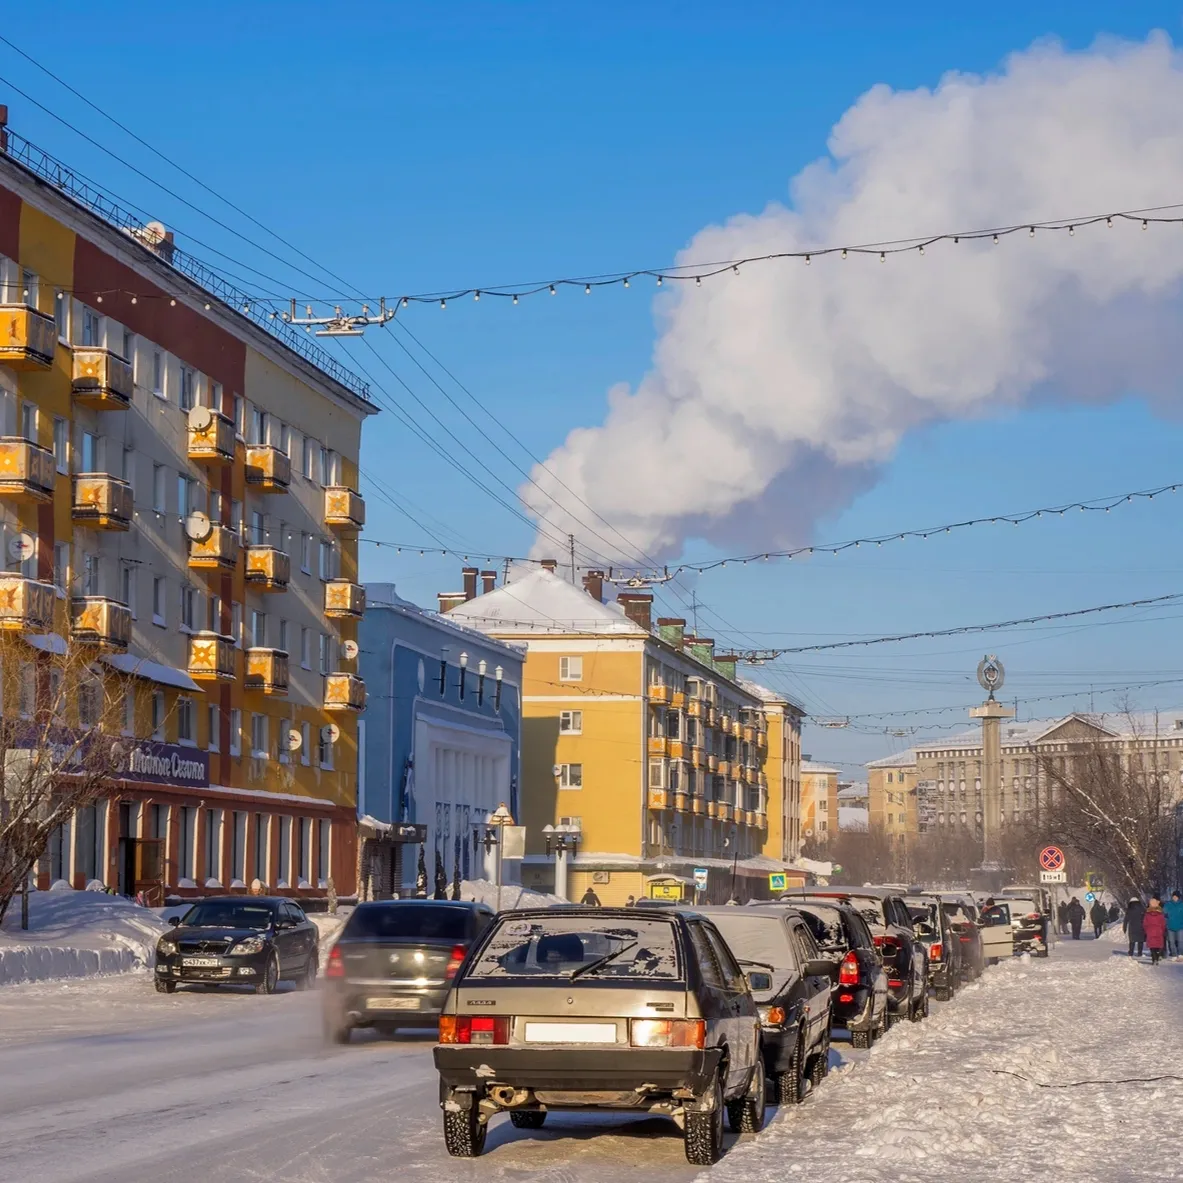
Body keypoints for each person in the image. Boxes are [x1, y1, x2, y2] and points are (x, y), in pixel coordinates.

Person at [1143, 898, 1168, 966]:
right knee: (1159, 945)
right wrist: (1162, 930)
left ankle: (1154, 959)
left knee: (1152, 946)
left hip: (1150, 931)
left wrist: (1146, 930)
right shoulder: (1160, 914)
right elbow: (1163, 924)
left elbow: (1145, 924)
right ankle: (1157, 956)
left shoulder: (1147, 914)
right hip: (1158, 931)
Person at [1164, 891, 1183, 959]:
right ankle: (1174, 955)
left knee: (1180, 941)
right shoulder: (1168, 904)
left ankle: (1180, 954)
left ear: (1178, 897)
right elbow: (1164, 913)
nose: (1174, 898)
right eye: (1173, 896)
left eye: (1176, 896)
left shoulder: (1181, 904)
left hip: (1180, 926)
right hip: (1170, 926)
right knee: (1171, 942)